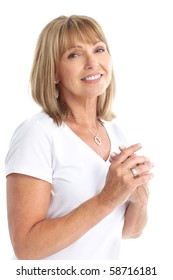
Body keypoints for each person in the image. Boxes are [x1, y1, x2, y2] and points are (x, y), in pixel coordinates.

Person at [5, 15, 154, 260]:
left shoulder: (116, 134)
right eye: (74, 54)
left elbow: (126, 232)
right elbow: (26, 247)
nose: (93, 62)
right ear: (53, 72)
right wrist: (107, 199)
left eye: (99, 49)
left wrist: (139, 199)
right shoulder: (37, 134)